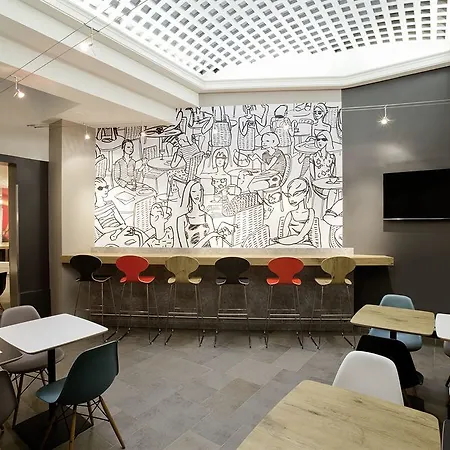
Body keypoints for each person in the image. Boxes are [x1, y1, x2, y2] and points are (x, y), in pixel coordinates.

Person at [177, 181, 235, 248]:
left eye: (200, 191)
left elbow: (214, 245)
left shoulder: (207, 217)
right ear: (189, 193)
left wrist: (219, 237)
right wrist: (210, 235)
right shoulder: (182, 219)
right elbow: (185, 249)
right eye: (194, 191)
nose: (197, 194)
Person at [272, 178, 316, 246]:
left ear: (305, 193)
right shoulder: (290, 214)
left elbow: (300, 237)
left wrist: (279, 240)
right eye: (289, 195)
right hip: (289, 244)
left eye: (295, 194)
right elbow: (284, 236)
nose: (291, 199)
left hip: (304, 244)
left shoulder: (310, 212)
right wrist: (282, 241)